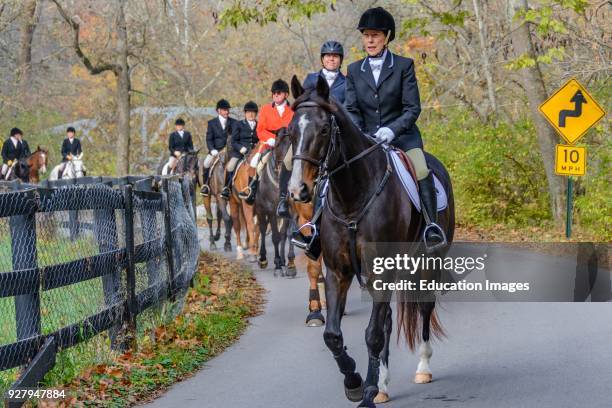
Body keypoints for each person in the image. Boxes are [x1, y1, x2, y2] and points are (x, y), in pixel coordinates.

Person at [276, 40, 346, 217]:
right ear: (322, 59)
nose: (331, 59)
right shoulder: (310, 79)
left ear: (340, 60)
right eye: (328, 56)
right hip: (311, 134)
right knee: (288, 160)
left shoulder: (346, 83)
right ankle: (284, 200)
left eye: (335, 56)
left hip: (335, 134)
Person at [240, 80, 293, 203]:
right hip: (268, 143)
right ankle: (251, 189)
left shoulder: (293, 111)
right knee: (254, 162)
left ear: (286, 94)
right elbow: (260, 129)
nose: (275, 95)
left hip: (287, 145)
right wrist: (270, 139)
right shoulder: (265, 109)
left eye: (278, 93)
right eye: (273, 93)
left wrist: (284, 140)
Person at [221, 101, 259, 199]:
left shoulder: (259, 125)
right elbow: (233, 141)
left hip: (256, 153)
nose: (251, 114)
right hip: (240, 153)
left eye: (253, 112)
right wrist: (241, 148)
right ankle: (227, 188)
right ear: (245, 113)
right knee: (230, 166)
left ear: (256, 113)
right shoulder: (238, 124)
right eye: (248, 112)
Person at [201, 99, 237, 196]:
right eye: (224, 110)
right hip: (216, 151)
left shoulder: (234, 122)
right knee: (206, 163)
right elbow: (209, 139)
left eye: (227, 109)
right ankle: (205, 185)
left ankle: (230, 187)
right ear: (218, 111)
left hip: (230, 151)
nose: (227, 112)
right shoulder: (212, 123)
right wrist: (212, 149)